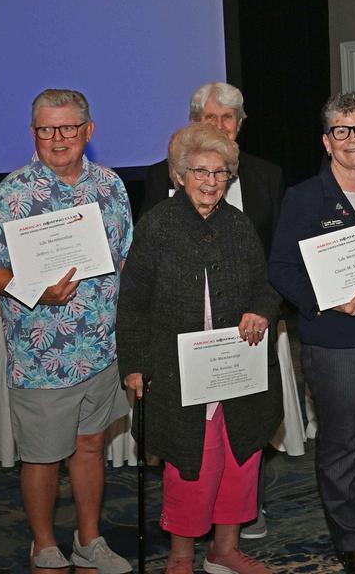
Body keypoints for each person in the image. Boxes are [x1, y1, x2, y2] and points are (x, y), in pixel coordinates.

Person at [0, 89, 134, 574]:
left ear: (89, 131)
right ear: (34, 133)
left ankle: (89, 539)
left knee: (91, 446)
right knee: (42, 456)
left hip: (102, 348)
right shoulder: (12, 194)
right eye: (47, 129)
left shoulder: (110, 185)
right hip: (42, 357)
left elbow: (125, 253)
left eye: (68, 127)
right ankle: (43, 544)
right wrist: (36, 292)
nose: (58, 138)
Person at [118, 123, 283, 574]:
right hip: (178, 372)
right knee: (192, 463)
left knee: (240, 457)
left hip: (238, 366)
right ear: (179, 174)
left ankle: (224, 550)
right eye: (200, 172)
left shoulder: (239, 225)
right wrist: (134, 364)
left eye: (220, 172)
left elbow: (266, 286)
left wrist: (260, 310)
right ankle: (180, 556)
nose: (211, 181)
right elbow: (132, 301)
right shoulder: (157, 225)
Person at [267, 93, 355, 573]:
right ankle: (348, 538)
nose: (354, 139)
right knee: (342, 441)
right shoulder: (305, 196)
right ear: (327, 141)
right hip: (336, 337)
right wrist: (325, 299)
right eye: (342, 131)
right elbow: (281, 269)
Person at [142, 82, 285, 253]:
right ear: (195, 123)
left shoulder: (268, 176)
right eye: (210, 117)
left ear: (239, 123)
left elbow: (279, 248)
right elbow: (147, 241)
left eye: (227, 117)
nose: (219, 126)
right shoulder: (162, 174)